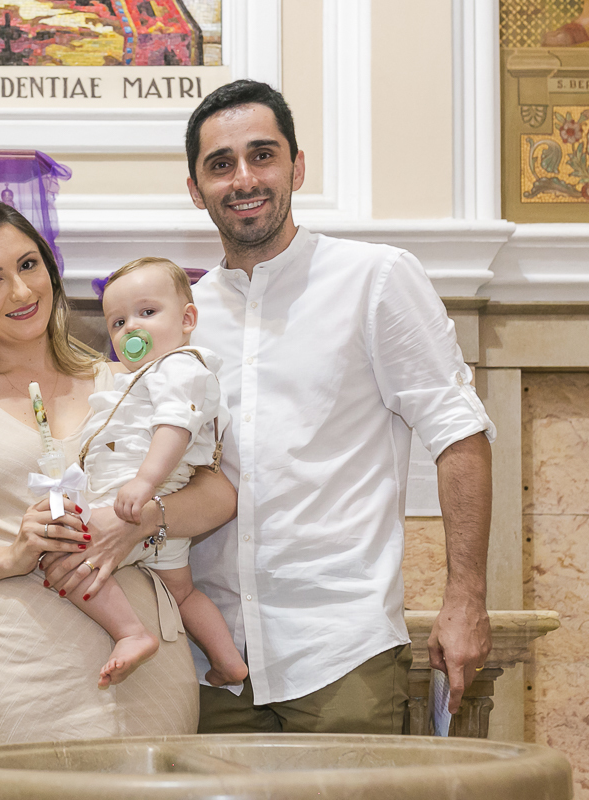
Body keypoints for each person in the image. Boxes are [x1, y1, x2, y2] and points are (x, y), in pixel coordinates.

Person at [183, 80, 496, 734]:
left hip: (340, 651)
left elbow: (458, 433)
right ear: (195, 188)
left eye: (262, 155)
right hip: (212, 664)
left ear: (297, 167)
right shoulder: (187, 317)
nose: (244, 179)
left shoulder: (375, 279)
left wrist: (465, 597)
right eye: (221, 164)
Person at [0, 200, 237, 745]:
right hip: (22, 674)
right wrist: (12, 556)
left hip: (151, 675)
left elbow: (218, 495)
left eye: (29, 265)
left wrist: (142, 519)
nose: (21, 291)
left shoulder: (125, 378)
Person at [63, 256, 248, 689]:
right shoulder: (148, 376)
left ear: (187, 320)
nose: (131, 328)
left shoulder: (178, 367)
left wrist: (145, 481)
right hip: (164, 519)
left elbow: (175, 425)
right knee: (181, 593)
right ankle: (229, 662)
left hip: (135, 501)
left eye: (147, 312)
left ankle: (130, 633)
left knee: (65, 561)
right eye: (118, 322)